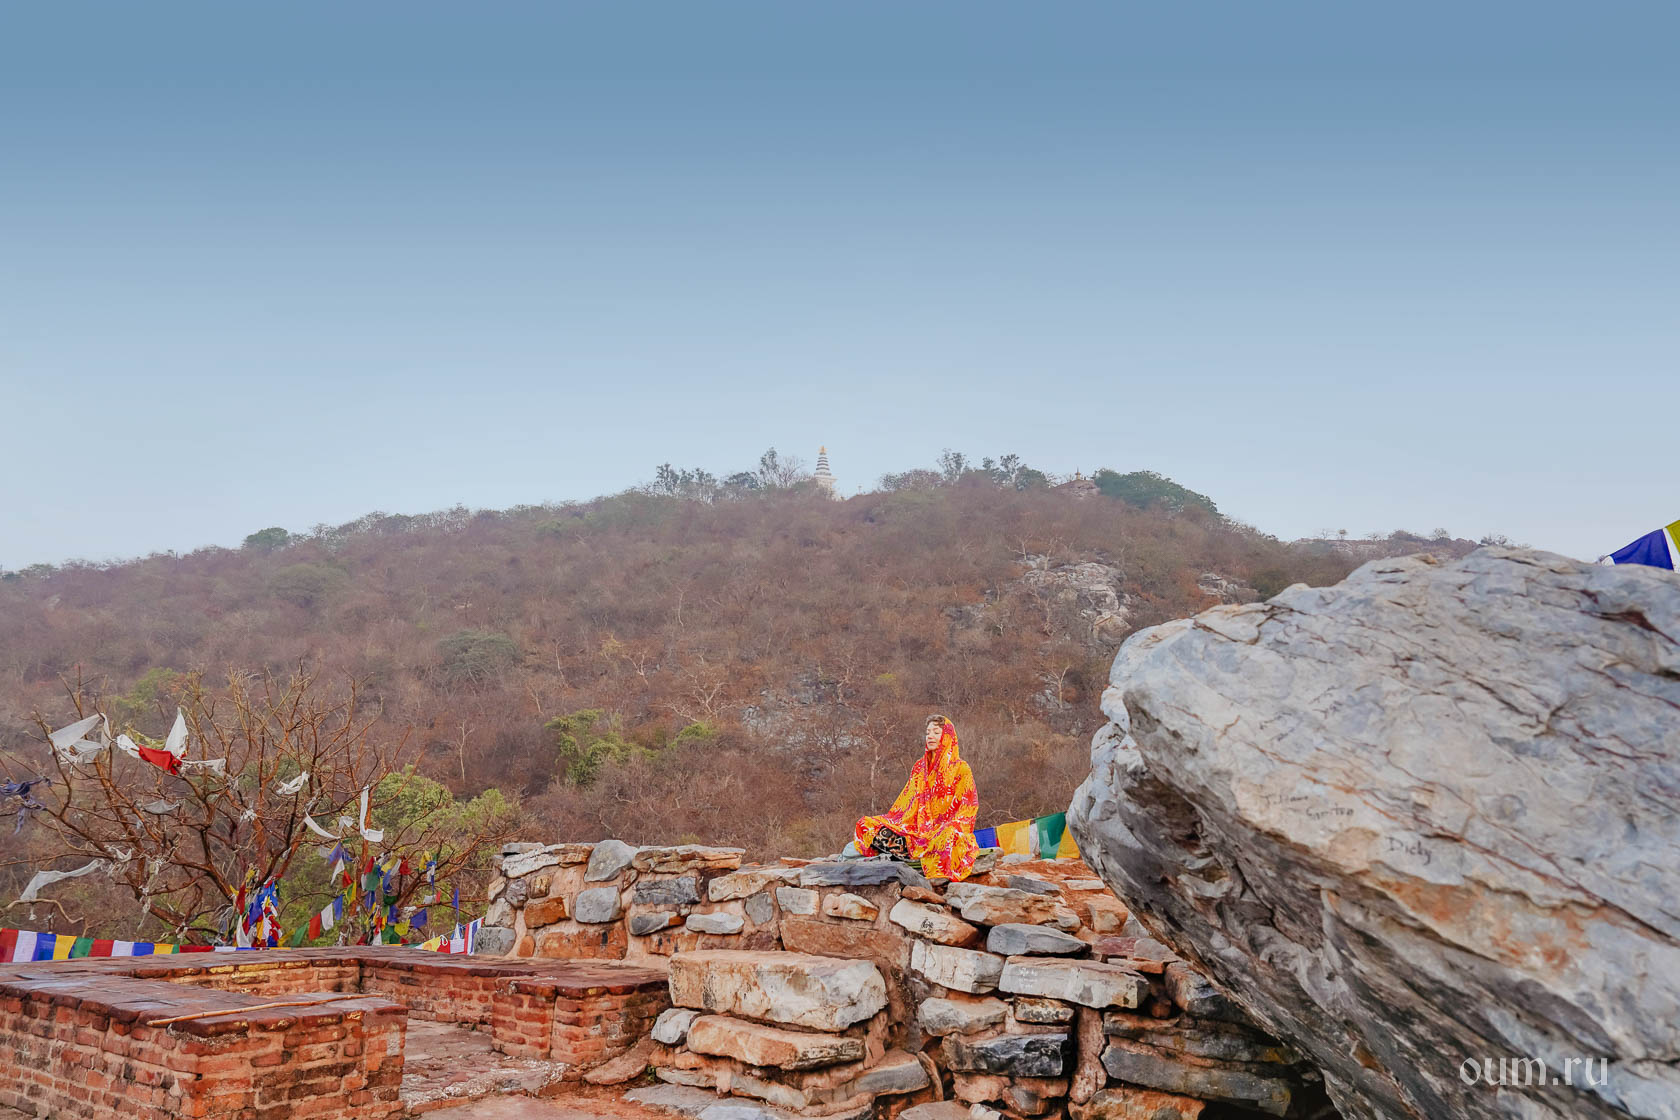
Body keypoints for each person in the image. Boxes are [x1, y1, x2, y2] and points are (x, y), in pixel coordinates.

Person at [853, 714, 980, 881]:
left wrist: (948, 826)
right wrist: (902, 823)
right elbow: (906, 803)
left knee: (947, 836)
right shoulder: (920, 767)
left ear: (947, 736)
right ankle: (909, 853)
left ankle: (919, 856)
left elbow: (968, 808)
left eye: (936, 732)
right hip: (916, 829)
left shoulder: (961, 768)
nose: (930, 736)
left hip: (942, 830)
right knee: (865, 824)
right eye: (928, 733)